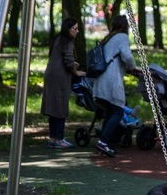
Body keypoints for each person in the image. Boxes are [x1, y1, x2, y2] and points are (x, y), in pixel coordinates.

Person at [92, 15, 141, 157]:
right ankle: (103, 142)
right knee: (118, 112)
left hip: (101, 81)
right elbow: (128, 57)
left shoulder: (108, 39)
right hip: (111, 81)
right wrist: (133, 68)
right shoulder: (121, 37)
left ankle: (103, 143)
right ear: (125, 26)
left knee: (110, 112)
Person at [40, 18, 86, 150]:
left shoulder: (58, 39)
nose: (77, 31)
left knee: (52, 108)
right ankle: (59, 139)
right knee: (60, 107)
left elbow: (60, 58)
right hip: (60, 77)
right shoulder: (68, 41)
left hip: (50, 74)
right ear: (68, 28)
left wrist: (72, 64)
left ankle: (53, 138)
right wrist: (76, 72)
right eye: (75, 29)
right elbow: (68, 60)